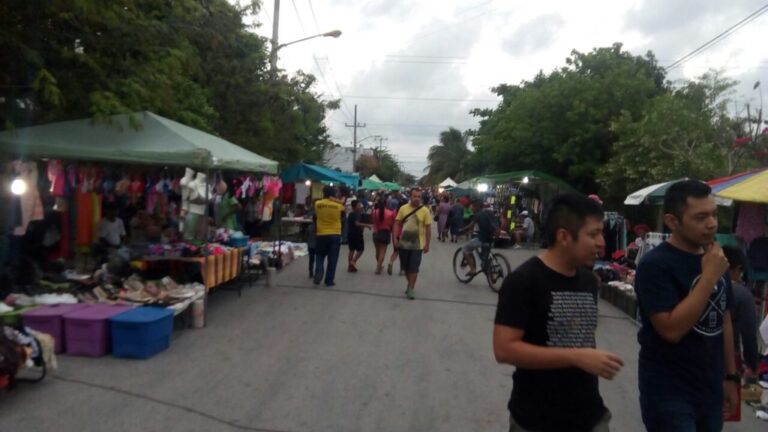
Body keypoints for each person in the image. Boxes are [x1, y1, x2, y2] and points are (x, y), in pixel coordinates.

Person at [493, 193, 623, 432]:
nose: (602, 242)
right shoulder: (523, 281)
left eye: (601, 233)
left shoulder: (588, 281)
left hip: (590, 416)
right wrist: (575, 356)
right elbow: (504, 349)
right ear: (564, 236)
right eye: (593, 234)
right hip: (536, 419)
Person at [634, 180, 738, 431]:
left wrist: (732, 377)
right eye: (701, 217)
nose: (712, 223)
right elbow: (671, 330)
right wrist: (709, 277)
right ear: (672, 221)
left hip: (710, 388)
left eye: (714, 214)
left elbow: (724, 319)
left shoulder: (715, 258)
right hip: (669, 391)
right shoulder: (655, 265)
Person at [722, 245, 759, 378]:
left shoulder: (696, 286)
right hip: (729, 362)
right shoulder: (742, 294)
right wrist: (753, 365)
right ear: (737, 269)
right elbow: (749, 334)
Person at [393, 188, 432, 300]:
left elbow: (428, 228)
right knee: (405, 267)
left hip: (417, 245)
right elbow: (396, 224)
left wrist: (427, 244)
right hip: (403, 244)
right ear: (410, 197)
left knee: (414, 268)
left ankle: (411, 288)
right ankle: (410, 284)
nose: (417, 199)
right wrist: (395, 239)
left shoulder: (425, 210)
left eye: (419, 197)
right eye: (414, 196)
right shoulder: (403, 209)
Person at [313, 186, 345, 287]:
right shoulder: (338, 206)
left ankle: (319, 271)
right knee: (333, 258)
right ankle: (329, 281)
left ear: (323, 193)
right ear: (334, 194)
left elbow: (315, 216)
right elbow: (344, 215)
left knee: (319, 255)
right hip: (335, 233)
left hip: (321, 233)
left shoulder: (317, 204)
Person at [458, 199, 500, 275]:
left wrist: (462, 230)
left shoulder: (478, 215)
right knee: (485, 256)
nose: (471, 208)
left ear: (477, 206)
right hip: (492, 237)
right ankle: (489, 268)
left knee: (465, 248)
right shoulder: (489, 212)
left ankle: (473, 269)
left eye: (472, 206)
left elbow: (471, 226)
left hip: (483, 239)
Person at [372, 196, 396, 275]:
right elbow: (392, 224)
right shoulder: (390, 213)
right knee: (382, 252)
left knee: (377, 251)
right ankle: (378, 268)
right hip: (385, 233)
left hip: (375, 232)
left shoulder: (374, 211)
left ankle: (379, 266)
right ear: (386, 204)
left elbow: (373, 222)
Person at [347, 200, 372, 272]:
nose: (360, 206)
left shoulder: (352, 214)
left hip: (351, 234)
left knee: (352, 250)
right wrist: (367, 225)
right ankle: (353, 261)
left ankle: (350, 266)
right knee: (360, 249)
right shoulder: (356, 214)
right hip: (357, 234)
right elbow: (357, 224)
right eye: (358, 205)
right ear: (354, 207)